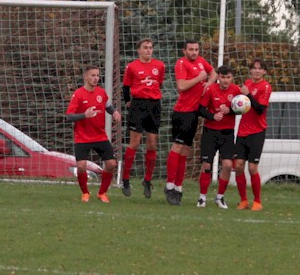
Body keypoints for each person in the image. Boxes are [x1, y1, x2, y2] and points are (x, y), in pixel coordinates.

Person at [164, 41, 216, 205]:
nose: (194, 52)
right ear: (184, 51)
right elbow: (182, 85)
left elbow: (213, 72)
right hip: (182, 112)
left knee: (185, 151)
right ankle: (170, 185)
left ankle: (178, 187)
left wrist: (209, 83)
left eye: (196, 50)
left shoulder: (201, 61)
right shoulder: (181, 63)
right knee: (177, 148)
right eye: (191, 50)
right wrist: (199, 78)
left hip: (194, 113)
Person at [66, 65, 122, 203]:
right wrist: (85, 115)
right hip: (82, 137)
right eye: (93, 75)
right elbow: (69, 116)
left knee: (111, 164)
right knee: (81, 166)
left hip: (100, 136)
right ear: (85, 77)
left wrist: (114, 112)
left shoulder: (101, 93)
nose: (96, 78)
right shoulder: (78, 94)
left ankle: (102, 193)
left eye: (97, 75)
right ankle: (85, 193)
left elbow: (108, 106)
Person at [121, 38, 165, 198]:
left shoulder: (159, 65)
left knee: (152, 144)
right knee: (135, 142)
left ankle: (147, 180)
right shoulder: (131, 67)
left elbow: (159, 83)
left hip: (154, 106)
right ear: (138, 50)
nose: (148, 50)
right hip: (138, 105)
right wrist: (128, 102)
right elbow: (125, 87)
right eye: (145, 48)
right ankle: (125, 179)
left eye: (150, 47)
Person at [196, 65, 242, 209]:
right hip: (210, 132)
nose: (225, 80)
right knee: (206, 165)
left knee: (228, 165)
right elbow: (200, 109)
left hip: (227, 133)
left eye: (228, 77)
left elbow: (242, 109)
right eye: (222, 77)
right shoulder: (210, 90)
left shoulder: (236, 91)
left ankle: (220, 197)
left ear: (232, 78)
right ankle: (202, 197)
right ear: (218, 77)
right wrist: (212, 116)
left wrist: (230, 110)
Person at [234, 59, 272, 211]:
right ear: (250, 70)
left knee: (252, 167)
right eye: (254, 68)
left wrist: (248, 94)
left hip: (257, 132)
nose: (257, 71)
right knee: (238, 166)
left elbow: (260, 109)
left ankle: (257, 201)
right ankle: (243, 201)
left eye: (260, 68)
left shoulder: (266, 87)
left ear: (264, 71)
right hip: (242, 131)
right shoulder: (247, 83)